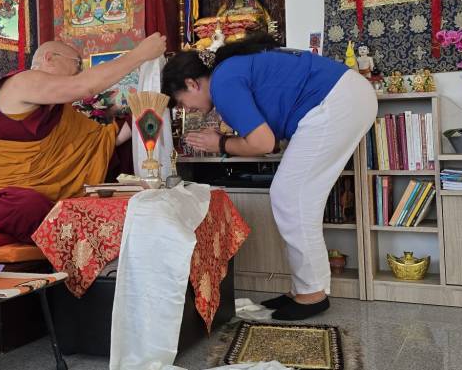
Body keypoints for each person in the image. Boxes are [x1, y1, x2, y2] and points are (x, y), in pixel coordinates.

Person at [161, 32, 377, 321]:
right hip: (345, 96)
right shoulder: (230, 71)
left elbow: (263, 144)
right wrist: (225, 141)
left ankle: (312, 293)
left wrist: (220, 144)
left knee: (290, 197)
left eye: (181, 102)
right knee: (297, 199)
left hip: (337, 101)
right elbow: (269, 141)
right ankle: (304, 288)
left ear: (192, 83)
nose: (186, 110)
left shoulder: (223, 83)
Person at [0, 33, 167, 241]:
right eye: (77, 64)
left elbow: (101, 142)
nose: (79, 72)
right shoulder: (21, 83)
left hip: (31, 193)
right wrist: (140, 54)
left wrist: (143, 112)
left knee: (96, 198)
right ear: (49, 58)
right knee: (28, 207)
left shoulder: (59, 112)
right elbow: (84, 86)